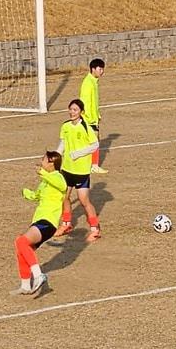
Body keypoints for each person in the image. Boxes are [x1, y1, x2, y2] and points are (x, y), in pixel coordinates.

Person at [14, 151, 65, 298]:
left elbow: (62, 186)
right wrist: (27, 193)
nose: (41, 161)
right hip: (39, 221)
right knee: (21, 247)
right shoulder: (45, 181)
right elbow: (37, 196)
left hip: (48, 222)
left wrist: (42, 173)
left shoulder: (57, 177)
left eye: (44, 159)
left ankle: (38, 275)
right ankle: (25, 285)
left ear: (51, 163)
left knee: (22, 241)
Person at [55, 99, 101, 242]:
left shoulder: (86, 127)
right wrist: (55, 159)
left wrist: (79, 153)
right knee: (64, 197)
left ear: (81, 112)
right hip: (67, 169)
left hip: (81, 171)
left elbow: (95, 145)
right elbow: (62, 144)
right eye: (70, 109)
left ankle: (95, 228)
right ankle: (66, 224)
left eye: (75, 110)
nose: (72, 112)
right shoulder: (65, 126)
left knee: (83, 200)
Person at [79, 58, 108, 174]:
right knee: (94, 142)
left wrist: (97, 115)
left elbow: (93, 102)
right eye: (100, 69)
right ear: (93, 69)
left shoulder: (93, 82)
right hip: (89, 119)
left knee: (93, 141)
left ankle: (91, 165)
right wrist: (89, 118)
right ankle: (93, 166)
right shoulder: (88, 83)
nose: (102, 72)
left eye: (102, 69)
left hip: (92, 118)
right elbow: (85, 102)